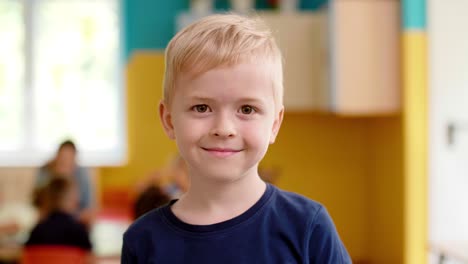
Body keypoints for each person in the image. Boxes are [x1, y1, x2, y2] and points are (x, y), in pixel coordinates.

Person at [121, 13, 351, 263]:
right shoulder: (143, 240)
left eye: (247, 109)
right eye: (201, 108)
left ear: (274, 123)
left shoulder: (308, 227)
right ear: (169, 120)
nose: (224, 128)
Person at [25, 177, 93, 255]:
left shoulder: (38, 230)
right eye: (75, 196)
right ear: (71, 200)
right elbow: (89, 257)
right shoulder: (79, 231)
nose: (78, 200)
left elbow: (27, 254)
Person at [35, 140, 94, 226]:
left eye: (69, 159)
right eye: (62, 159)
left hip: (74, 222)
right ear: (57, 157)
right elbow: (37, 203)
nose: (65, 163)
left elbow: (88, 209)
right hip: (49, 222)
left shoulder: (82, 174)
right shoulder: (45, 171)